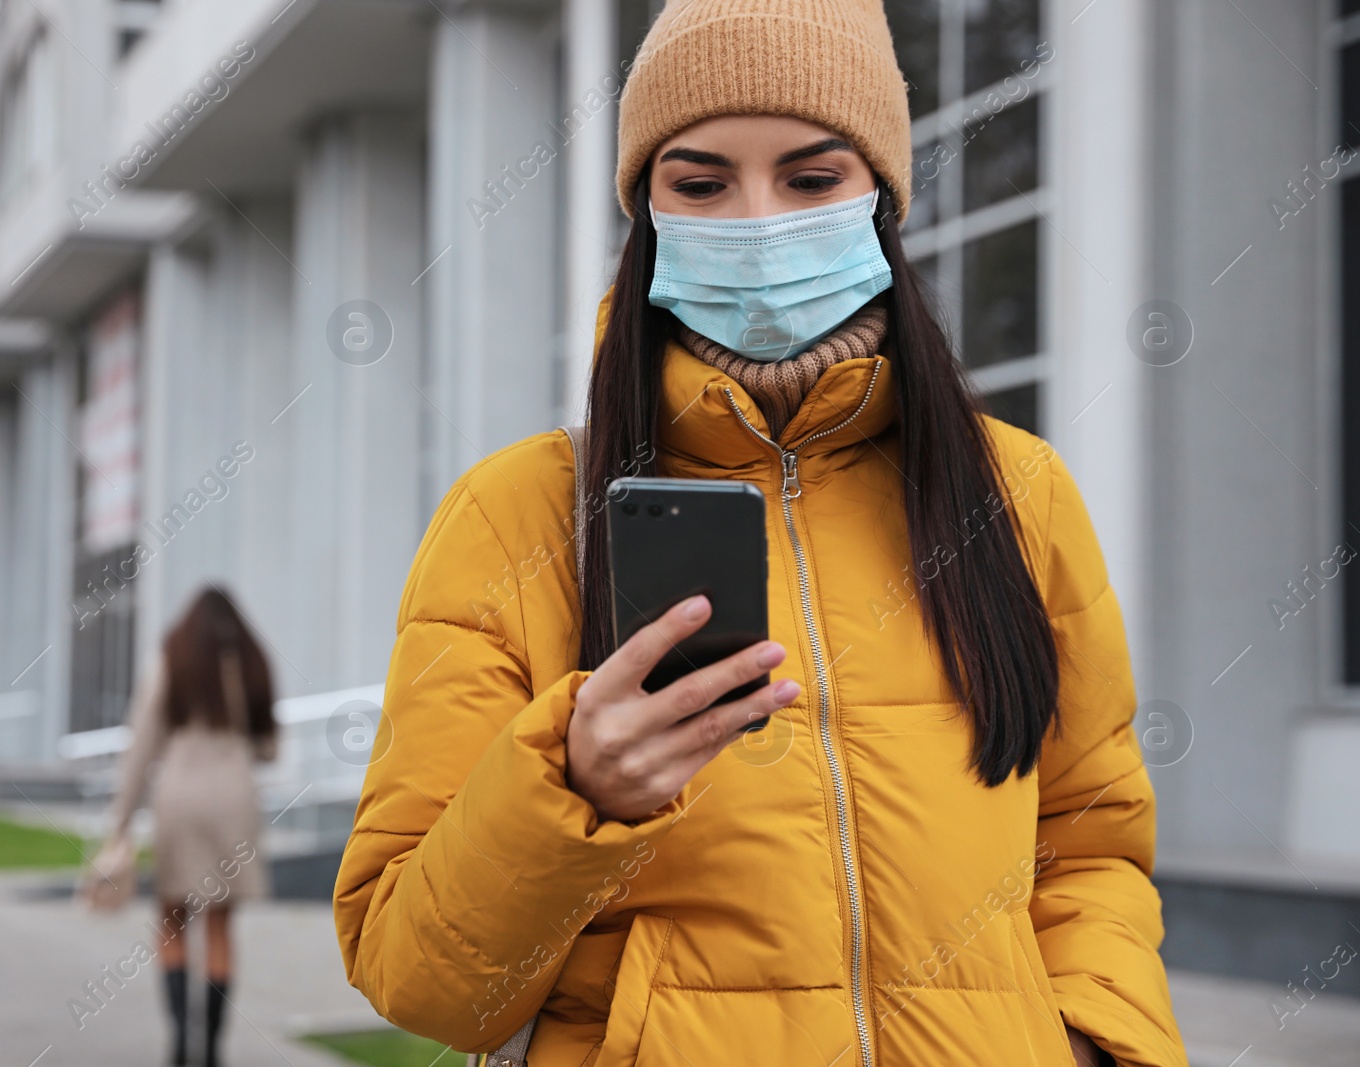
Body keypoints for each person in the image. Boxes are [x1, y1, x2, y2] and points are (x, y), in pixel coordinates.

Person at [334, 1, 1187, 1064]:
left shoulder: (1017, 491)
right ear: (647, 212)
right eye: (699, 183)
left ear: (877, 196)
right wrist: (568, 791)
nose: (754, 219)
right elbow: (417, 978)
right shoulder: (516, 514)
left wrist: (1095, 1040)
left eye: (811, 177)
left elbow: (1090, 845)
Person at [106, 587, 277, 1067]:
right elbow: (269, 749)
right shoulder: (252, 663)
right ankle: (212, 1049)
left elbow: (142, 746)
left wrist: (120, 823)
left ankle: (182, 1041)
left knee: (172, 921)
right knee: (221, 926)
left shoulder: (172, 657)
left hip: (179, 798)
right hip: (234, 801)